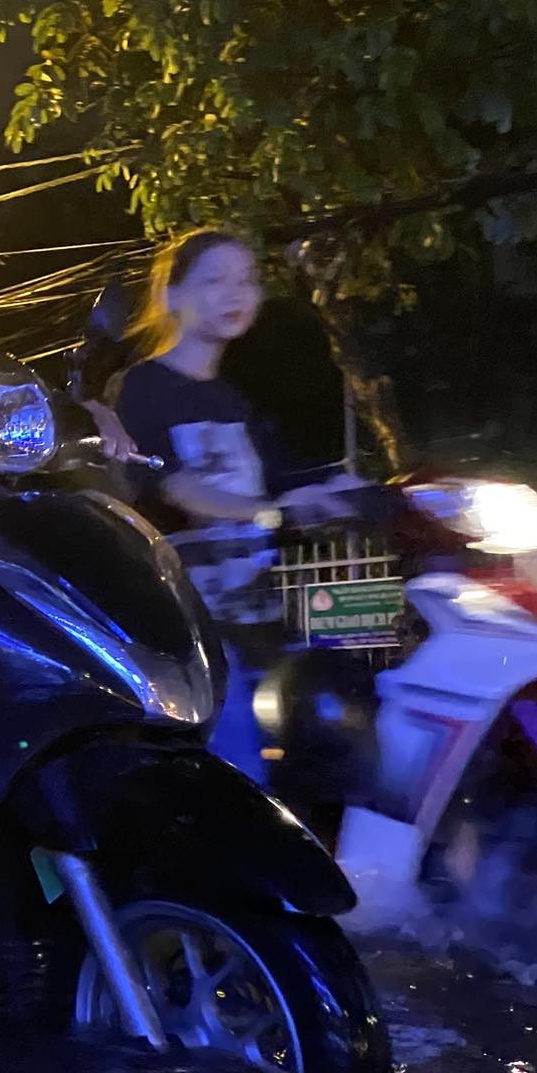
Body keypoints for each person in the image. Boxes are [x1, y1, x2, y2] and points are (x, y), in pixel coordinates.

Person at [111, 228, 357, 780]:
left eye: (247, 281)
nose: (235, 293)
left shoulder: (239, 403)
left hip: (259, 623)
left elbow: (284, 485)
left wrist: (340, 494)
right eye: (215, 280)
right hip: (188, 635)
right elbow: (173, 487)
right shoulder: (142, 388)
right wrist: (268, 513)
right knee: (240, 774)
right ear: (171, 296)